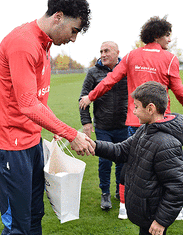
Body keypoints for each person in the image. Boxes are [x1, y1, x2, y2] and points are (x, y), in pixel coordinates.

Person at [0, 0, 93, 234]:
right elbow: (27, 105)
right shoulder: (23, 43)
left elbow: (39, 101)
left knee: (34, 216)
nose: (73, 39)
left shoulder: (44, 45)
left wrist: (55, 128)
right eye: (73, 30)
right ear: (58, 17)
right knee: (18, 226)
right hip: (10, 146)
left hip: (31, 143)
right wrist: (71, 134)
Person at [80, 15, 183, 221]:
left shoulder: (132, 55)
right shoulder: (169, 59)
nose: (169, 40)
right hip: (162, 123)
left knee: (132, 163)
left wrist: (91, 96)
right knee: (167, 167)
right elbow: (178, 88)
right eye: (168, 36)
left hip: (136, 121)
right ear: (159, 35)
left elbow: (110, 80)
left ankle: (124, 205)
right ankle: (173, 208)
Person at [87, 81, 183, 235]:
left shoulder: (166, 144)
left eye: (136, 106)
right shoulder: (145, 130)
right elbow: (120, 150)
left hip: (153, 217)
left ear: (150, 109)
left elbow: (178, 187)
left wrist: (161, 220)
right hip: (145, 213)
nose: (133, 111)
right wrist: (92, 145)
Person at [79, 41, 128, 211]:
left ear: (117, 52)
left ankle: (119, 191)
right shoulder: (93, 72)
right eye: (101, 51)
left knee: (122, 161)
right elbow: (83, 98)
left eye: (107, 50)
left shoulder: (126, 70)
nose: (103, 54)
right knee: (105, 161)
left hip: (124, 126)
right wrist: (86, 122)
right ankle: (105, 193)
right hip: (103, 127)